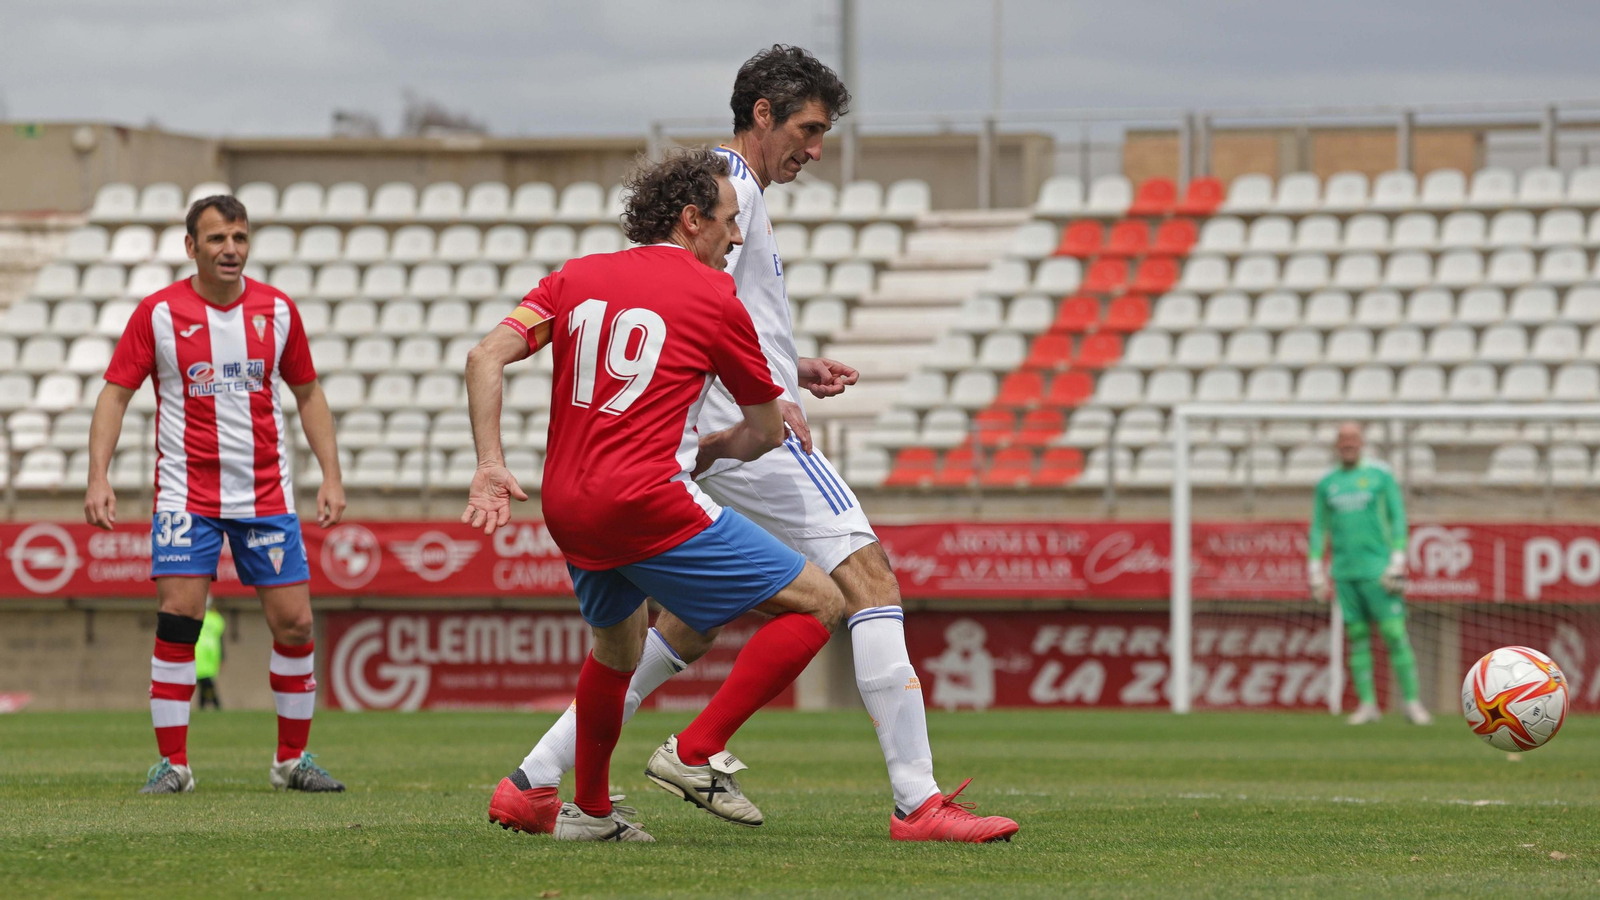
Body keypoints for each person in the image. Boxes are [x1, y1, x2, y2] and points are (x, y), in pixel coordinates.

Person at [491, 43, 1017, 845]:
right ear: (761, 115)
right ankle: (914, 802)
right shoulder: (727, 187)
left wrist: (790, 365)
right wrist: (770, 398)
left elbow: (706, 314)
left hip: (683, 438)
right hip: (736, 434)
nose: (814, 149)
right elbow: (700, 302)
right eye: (806, 130)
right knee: (865, 578)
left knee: (690, 622)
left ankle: (535, 778)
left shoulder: (723, 195)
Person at [462, 148, 846, 843]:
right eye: (730, 223)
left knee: (617, 650)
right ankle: (697, 750)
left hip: (568, 505)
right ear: (692, 218)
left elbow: (484, 355)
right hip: (647, 498)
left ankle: (590, 813)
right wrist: (716, 449)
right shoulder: (716, 297)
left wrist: (490, 462)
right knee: (821, 602)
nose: (737, 237)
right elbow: (765, 430)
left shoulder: (575, 277)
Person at [86, 195, 348, 794]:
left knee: (297, 625)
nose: (230, 249)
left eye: (239, 237)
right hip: (186, 494)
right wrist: (98, 475)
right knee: (179, 618)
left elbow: (308, 393)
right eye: (217, 239)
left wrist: (330, 474)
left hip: (265, 495)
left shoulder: (278, 311)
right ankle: (172, 766)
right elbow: (115, 393)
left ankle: (291, 762)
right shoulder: (157, 314)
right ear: (191, 248)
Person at [1308, 422, 1431, 726]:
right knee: (1358, 637)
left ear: (1362, 442)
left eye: (1353, 438)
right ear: (1336, 444)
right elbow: (1318, 526)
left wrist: (1398, 559)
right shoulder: (1327, 483)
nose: (1348, 443)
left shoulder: (1380, 475)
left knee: (1393, 633)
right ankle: (1367, 705)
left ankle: (1412, 703)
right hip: (1345, 573)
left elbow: (1397, 516)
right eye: (1343, 439)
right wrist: (1314, 566)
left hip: (1378, 571)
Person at [195, 598, 224, 710]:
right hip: (210, 654)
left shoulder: (195, 615)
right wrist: (222, 657)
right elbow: (221, 640)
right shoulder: (216, 618)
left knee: (206, 683)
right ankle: (214, 705)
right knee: (206, 683)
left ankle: (209, 705)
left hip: (201, 654)